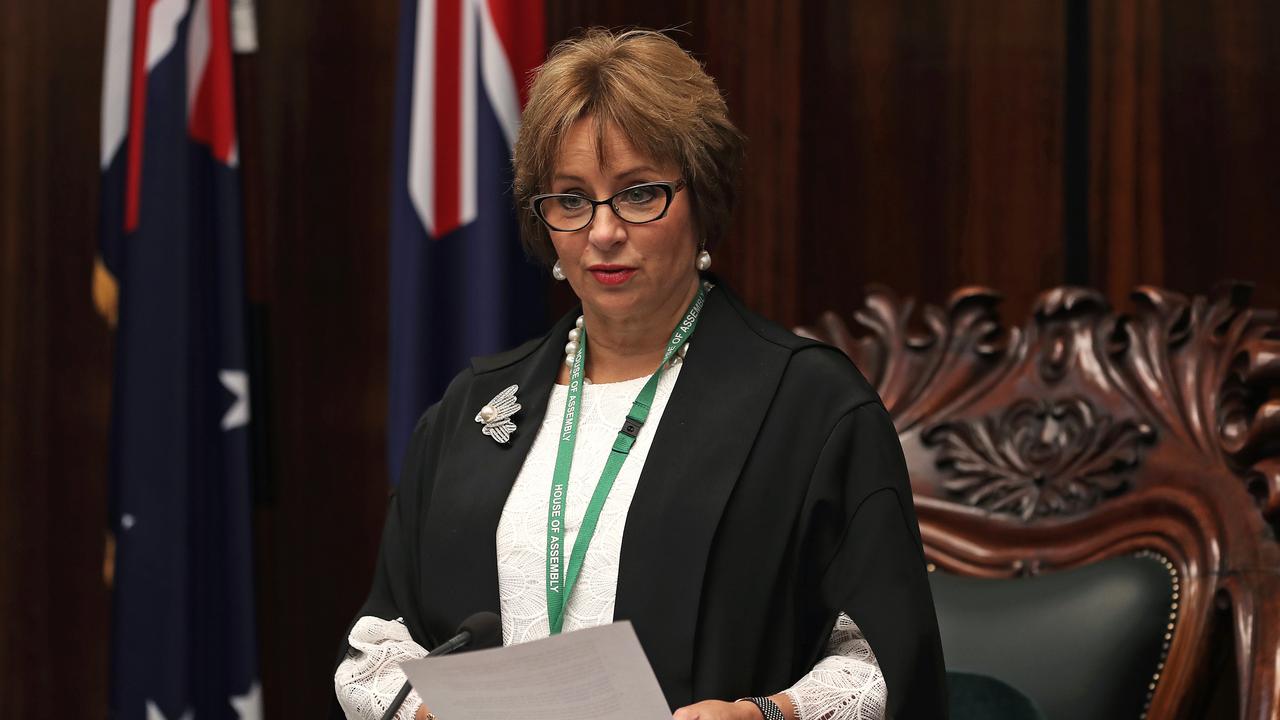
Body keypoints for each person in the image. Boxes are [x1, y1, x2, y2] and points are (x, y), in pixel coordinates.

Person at [334, 28, 946, 720]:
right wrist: (423, 715)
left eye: (638, 193)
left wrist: (769, 714)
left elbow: (880, 657)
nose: (602, 232)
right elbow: (378, 646)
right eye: (570, 199)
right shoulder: (470, 410)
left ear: (701, 203)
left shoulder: (810, 407)